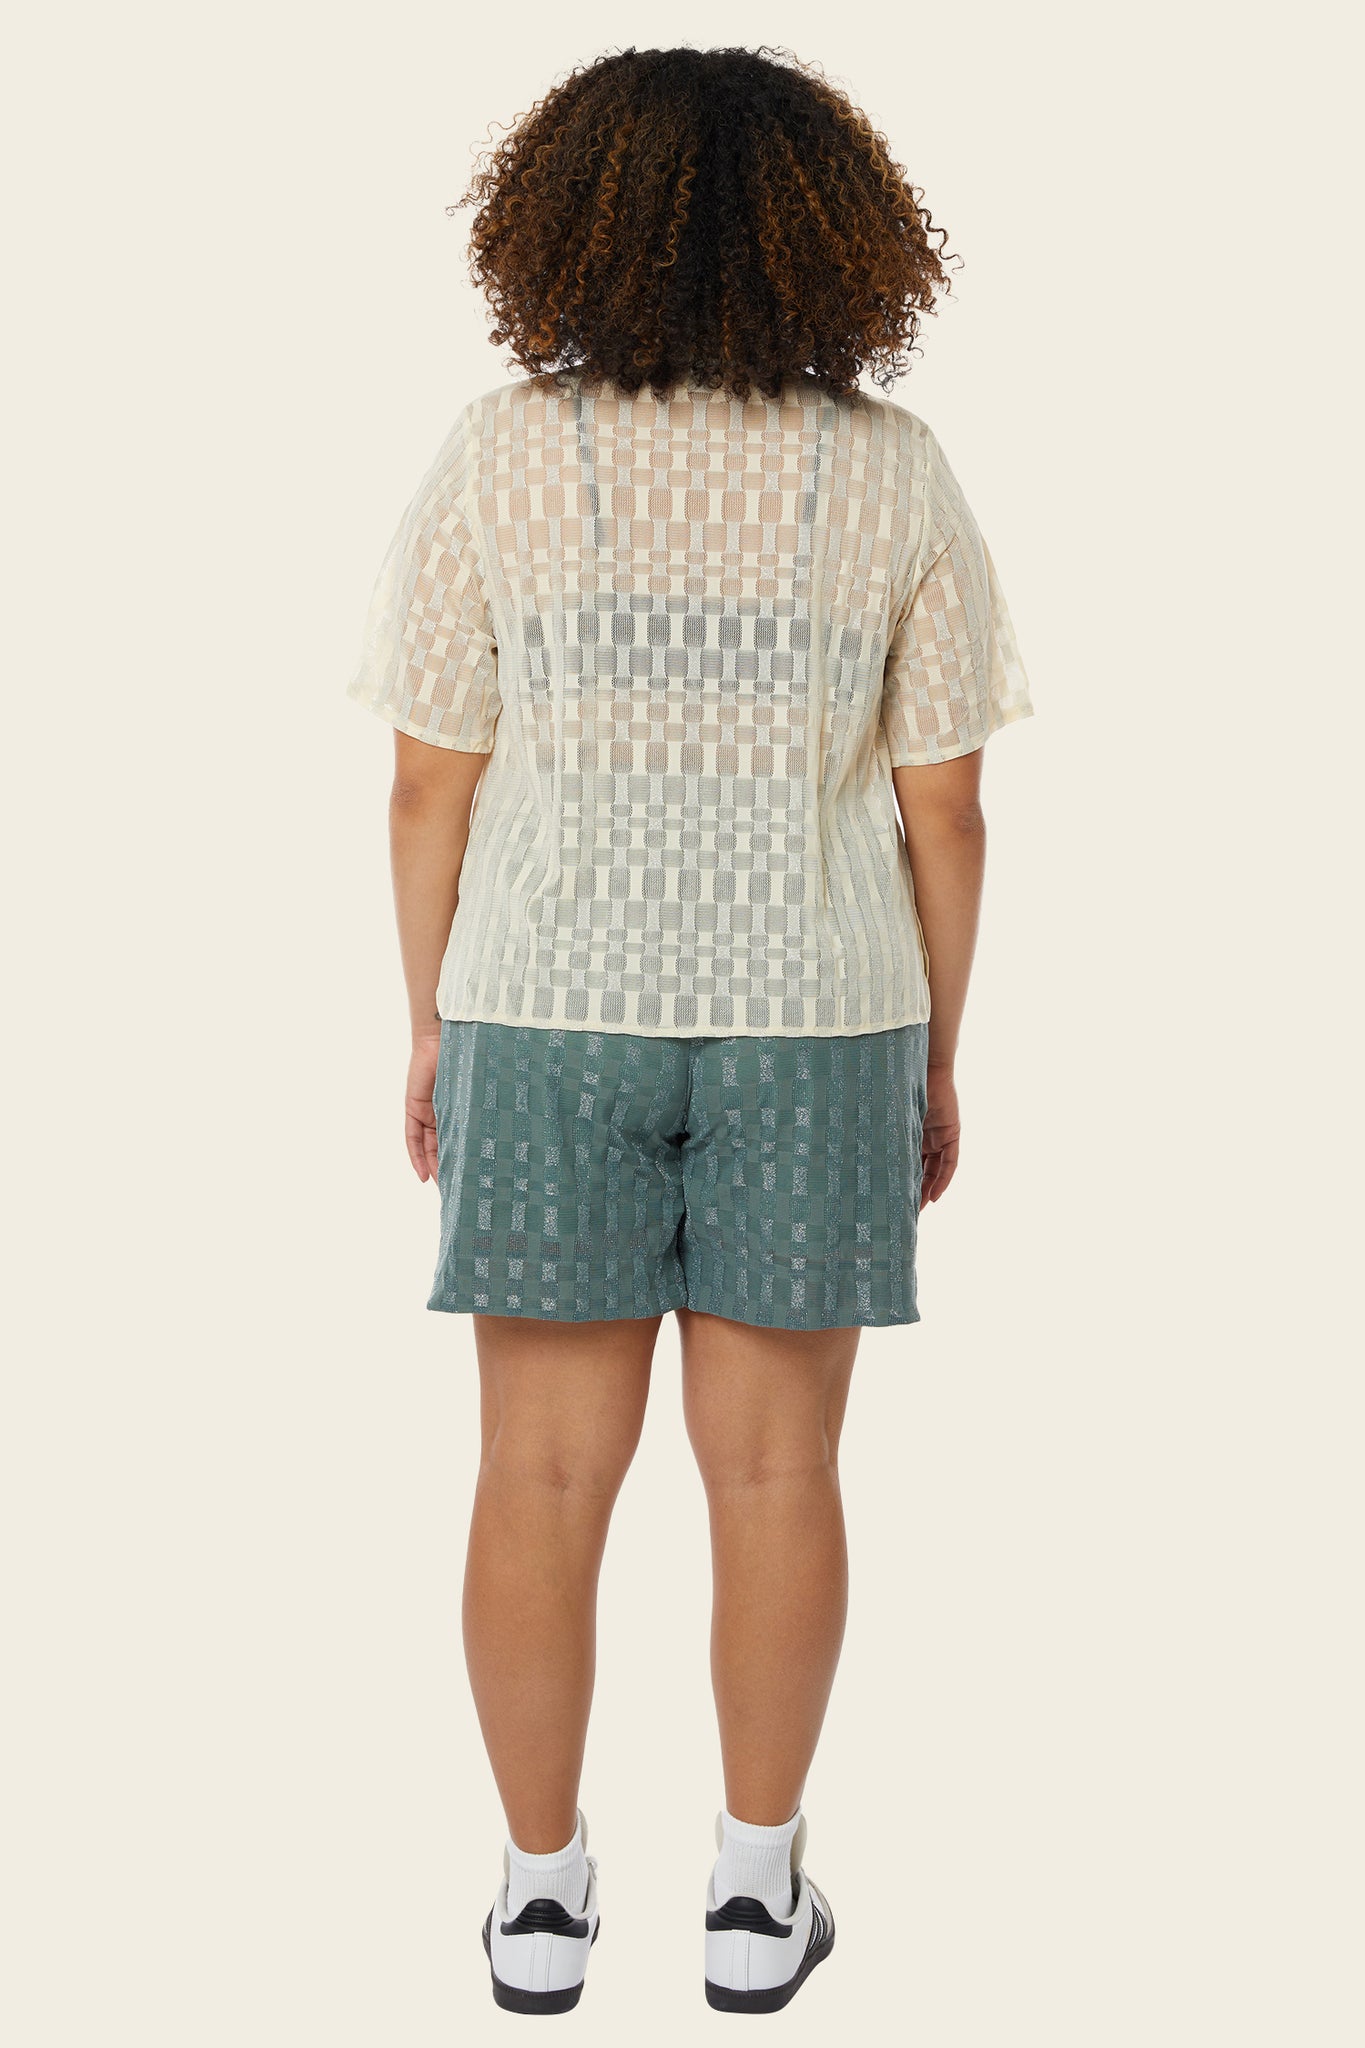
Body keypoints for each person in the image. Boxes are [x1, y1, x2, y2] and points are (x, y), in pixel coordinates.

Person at [346, 41, 1035, 2016]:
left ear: (562, 223)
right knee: (777, 1477)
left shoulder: (501, 453)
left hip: (539, 1011)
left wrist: (427, 1023)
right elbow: (946, 810)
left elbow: (426, 780)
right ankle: (751, 1896)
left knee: (537, 1476)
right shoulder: (890, 470)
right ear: (836, 233)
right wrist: (934, 1052)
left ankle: (539, 1902)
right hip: (817, 1018)